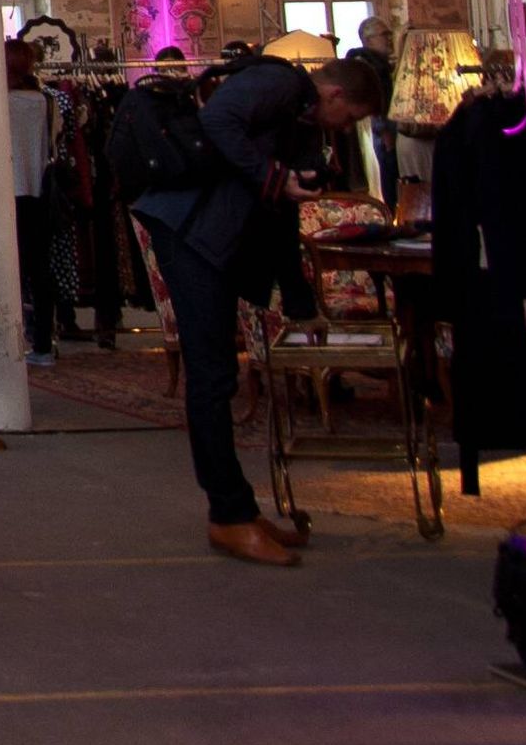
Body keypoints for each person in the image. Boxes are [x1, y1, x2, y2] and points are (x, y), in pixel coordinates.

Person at [129, 48, 376, 566]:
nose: (347, 129)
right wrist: (272, 177)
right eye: (349, 117)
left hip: (209, 240)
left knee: (217, 375)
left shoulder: (302, 121)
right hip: (190, 236)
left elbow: (282, 214)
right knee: (213, 375)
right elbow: (218, 121)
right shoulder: (279, 85)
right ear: (334, 95)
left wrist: (303, 304)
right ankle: (228, 516)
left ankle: (236, 509)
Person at [6, 38, 62, 365]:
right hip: (37, 192)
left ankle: (10, 339)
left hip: (5, 192)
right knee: (40, 271)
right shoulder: (46, 102)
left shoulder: (2, 103)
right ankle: (42, 343)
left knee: (9, 271)